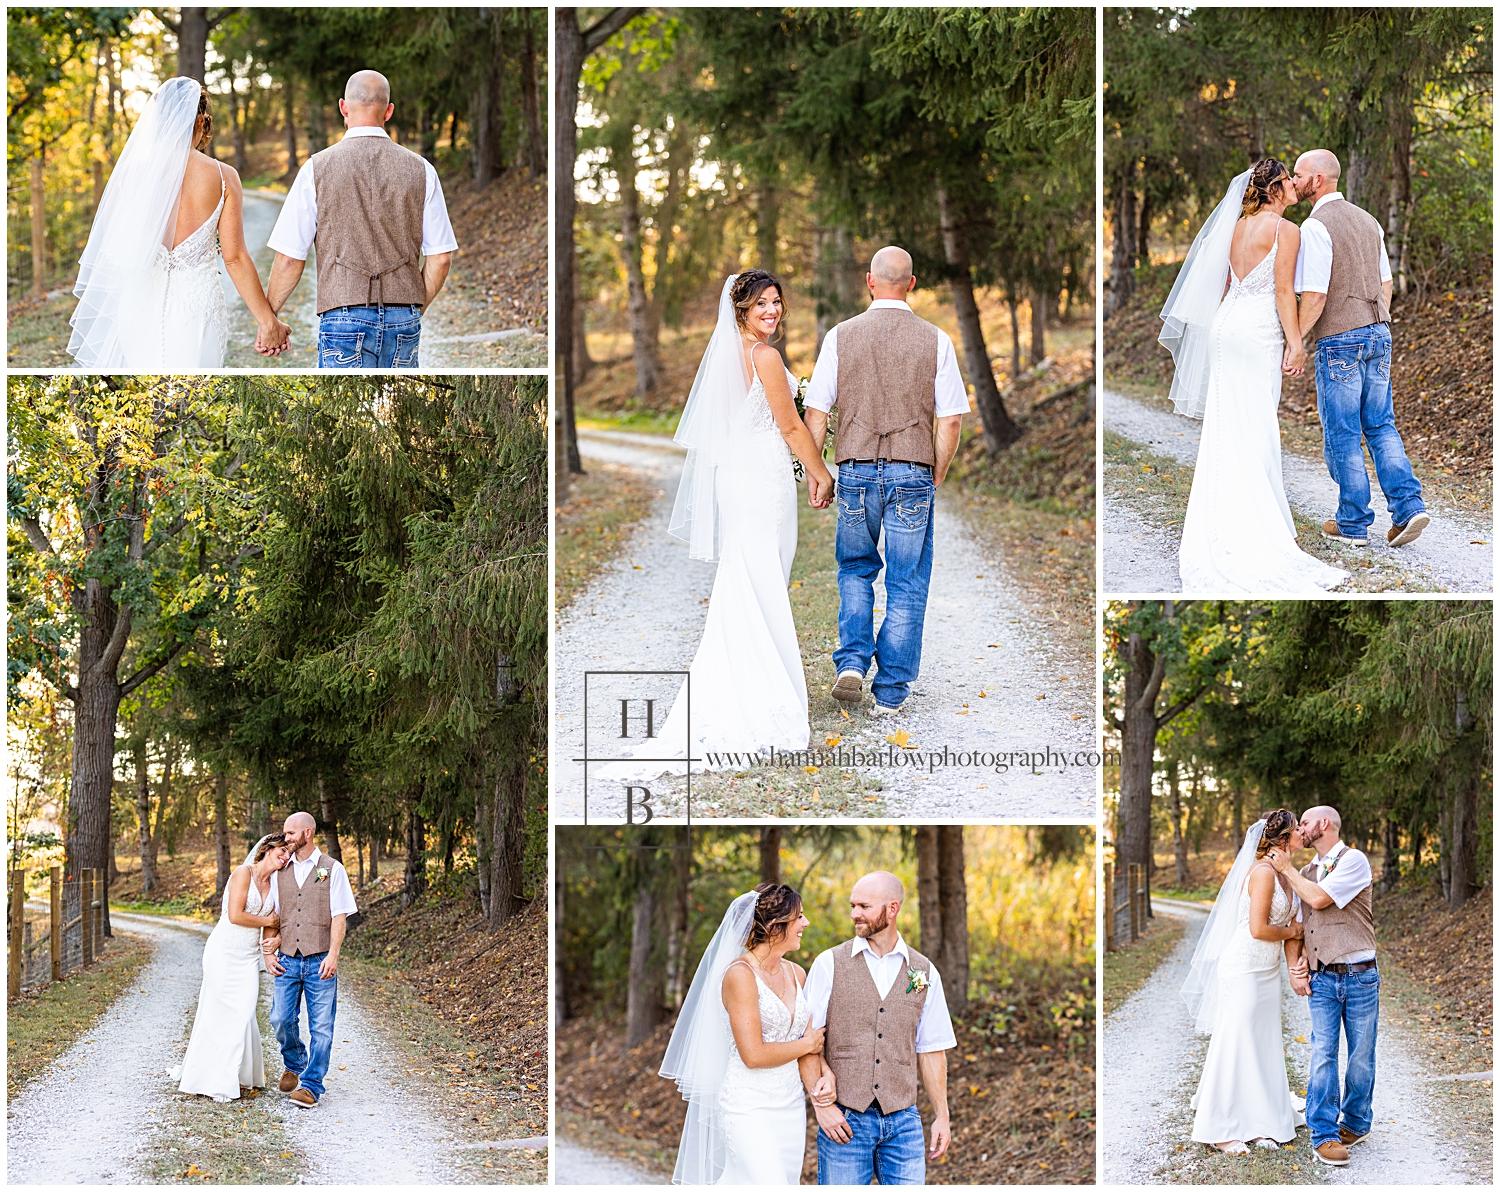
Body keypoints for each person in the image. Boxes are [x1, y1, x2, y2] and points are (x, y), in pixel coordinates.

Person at [596, 271, 833, 785]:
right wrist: (821, 472)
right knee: (761, 582)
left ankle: (745, 683)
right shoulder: (764, 357)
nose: (771, 311)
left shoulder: (734, 356)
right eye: (760, 304)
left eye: (776, 302)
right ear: (741, 309)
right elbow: (789, 426)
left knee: (747, 581)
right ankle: (760, 698)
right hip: (762, 484)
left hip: (740, 477)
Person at [1165, 159, 1349, 595]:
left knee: (1229, 425)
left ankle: (1226, 518)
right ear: (1273, 189)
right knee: (1258, 425)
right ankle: (1255, 526)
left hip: (1225, 326)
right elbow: (1284, 291)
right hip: (1258, 332)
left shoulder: (1235, 226)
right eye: (1288, 181)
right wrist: (1297, 342)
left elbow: (1228, 284)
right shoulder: (1287, 231)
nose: (1294, 187)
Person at [802, 248, 968, 713]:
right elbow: (951, 421)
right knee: (907, 580)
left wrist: (818, 472)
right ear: (911, 284)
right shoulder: (936, 340)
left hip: (854, 471)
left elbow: (816, 411)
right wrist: (934, 473)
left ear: (870, 282)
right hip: (912, 471)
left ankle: (852, 663)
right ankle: (891, 691)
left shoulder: (840, 336)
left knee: (855, 568)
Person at [68, 77, 291, 368]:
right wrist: (267, 321)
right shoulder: (224, 176)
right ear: (201, 121)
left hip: (138, 308)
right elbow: (234, 258)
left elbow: (112, 249)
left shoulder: (130, 175)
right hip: (197, 308)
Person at [265, 69, 457, 368]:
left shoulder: (315, 169)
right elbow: (441, 258)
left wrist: (269, 319)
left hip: (342, 316)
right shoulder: (422, 170)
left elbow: (290, 259)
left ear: (343, 106)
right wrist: (412, 310)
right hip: (403, 316)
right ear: (389, 111)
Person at [1290, 150, 1429, 549]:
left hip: (1340, 339)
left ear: (1317, 180)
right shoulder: (1369, 221)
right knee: (1381, 424)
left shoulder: (1316, 226)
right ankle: (1408, 507)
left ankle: (1352, 523)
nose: (1294, 182)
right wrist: (1375, 322)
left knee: (1344, 431)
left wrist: (1296, 342)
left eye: (1299, 175)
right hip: (1379, 333)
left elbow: (1315, 295)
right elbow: (1385, 284)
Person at [659, 884, 829, 1184]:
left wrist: (823, 1089)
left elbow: (811, 1049)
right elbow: (753, 1054)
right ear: (776, 927)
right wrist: (806, 1044)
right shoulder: (739, 975)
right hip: (749, 1107)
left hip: (790, 1107)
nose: (806, 923)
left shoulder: (797, 974)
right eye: (799, 917)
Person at [800, 871, 955, 1184]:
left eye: (864, 906)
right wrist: (823, 1108)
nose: (855, 914)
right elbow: (806, 1041)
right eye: (853, 905)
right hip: (844, 1119)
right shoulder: (829, 963)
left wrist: (942, 1116)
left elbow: (931, 1050)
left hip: (904, 1124)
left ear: (892, 909)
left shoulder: (923, 971)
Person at [1181, 811, 1307, 1154]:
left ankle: (1261, 1122)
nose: (1303, 834)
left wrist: (1296, 962)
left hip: (1266, 970)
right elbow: (1258, 929)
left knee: (1262, 1044)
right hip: (1243, 966)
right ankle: (1219, 1128)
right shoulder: (1264, 873)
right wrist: (1295, 931)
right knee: (1236, 1042)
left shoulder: (1285, 873)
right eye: (1298, 830)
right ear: (1283, 838)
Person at [1268, 804, 1378, 1167]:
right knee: (1323, 1055)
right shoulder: (1304, 871)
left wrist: (1284, 868)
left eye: (1305, 822)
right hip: (1323, 979)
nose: (1300, 828)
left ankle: (1357, 1123)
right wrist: (1293, 966)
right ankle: (1324, 1133)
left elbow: (1318, 898)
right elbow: (1297, 923)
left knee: (1361, 1056)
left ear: (1324, 824)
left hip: (1361, 975)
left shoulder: (1354, 861)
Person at [175, 833, 292, 1102]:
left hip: (248, 957)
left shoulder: (276, 883)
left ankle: (240, 1075)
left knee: (244, 1013)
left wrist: (271, 944)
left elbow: (274, 923)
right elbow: (236, 915)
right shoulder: (243, 873)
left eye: (288, 853)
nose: (285, 857)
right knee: (221, 1014)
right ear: (266, 849)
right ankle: (217, 1081)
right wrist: (269, 920)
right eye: (281, 851)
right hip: (224, 952)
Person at [260, 811, 358, 1107]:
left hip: (319, 960)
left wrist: (334, 955)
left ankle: (312, 1085)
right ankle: (295, 1061)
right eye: (285, 833)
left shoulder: (332, 868)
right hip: (287, 959)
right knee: (280, 1018)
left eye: (291, 833)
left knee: (322, 1027)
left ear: (307, 833)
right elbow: (272, 915)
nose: (286, 838)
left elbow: (340, 916)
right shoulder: (280, 871)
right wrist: (269, 951)